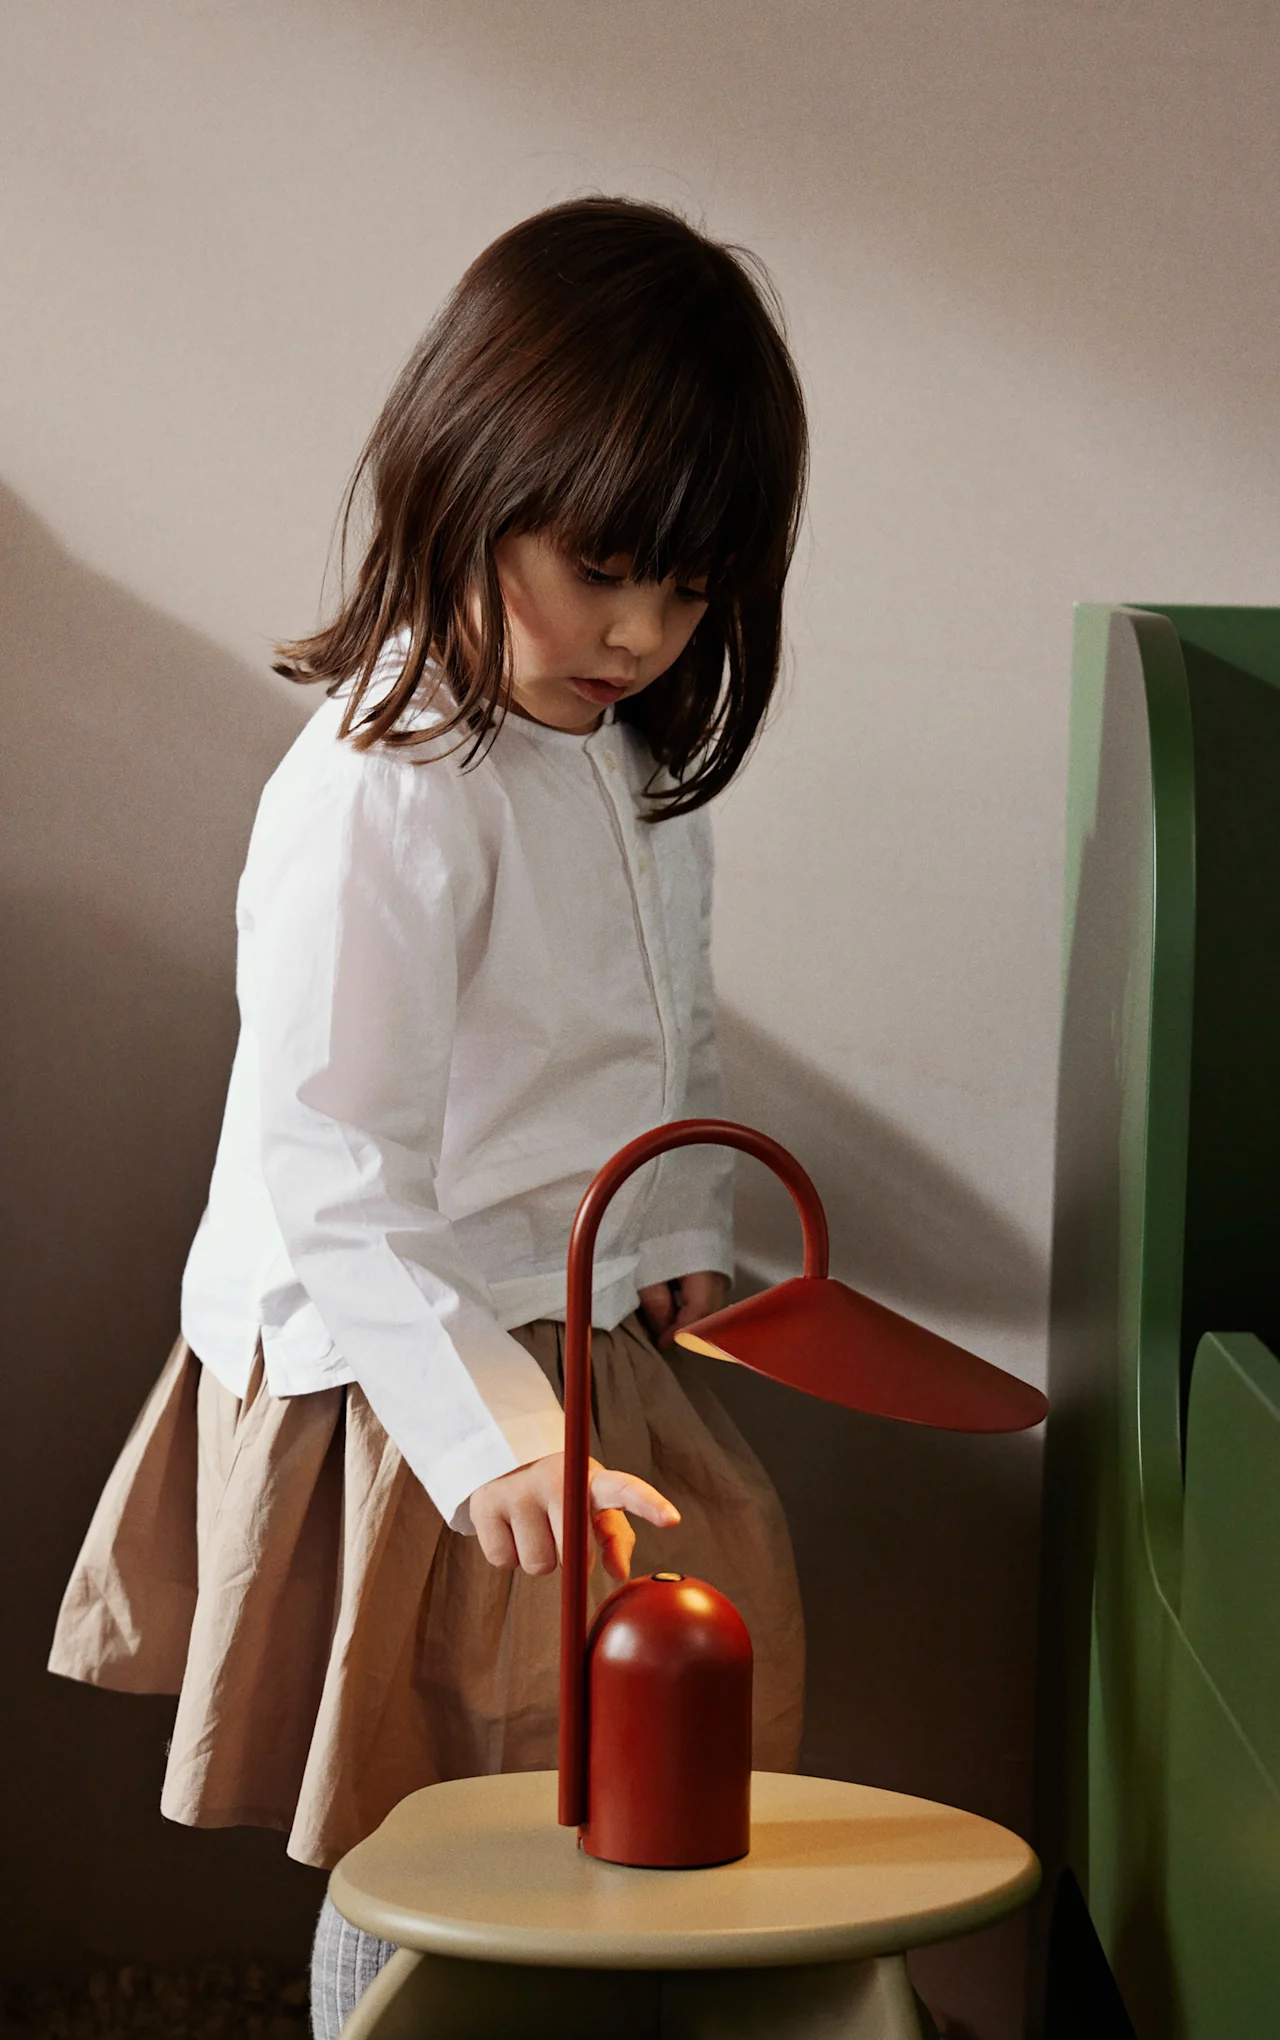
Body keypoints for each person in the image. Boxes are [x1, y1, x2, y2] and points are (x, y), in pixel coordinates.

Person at [48, 196, 809, 2040]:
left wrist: (687, 1247)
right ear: (465, 481)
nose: (638, 631)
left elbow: (660, 1031)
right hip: (411, 1366)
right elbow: (329, 1162)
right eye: (602, 565)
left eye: (691, 586)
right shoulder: (392, 784)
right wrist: (492, 1441)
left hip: (564, 1321)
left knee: (602, 1752)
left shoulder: (623, 751)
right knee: (434, 1816)